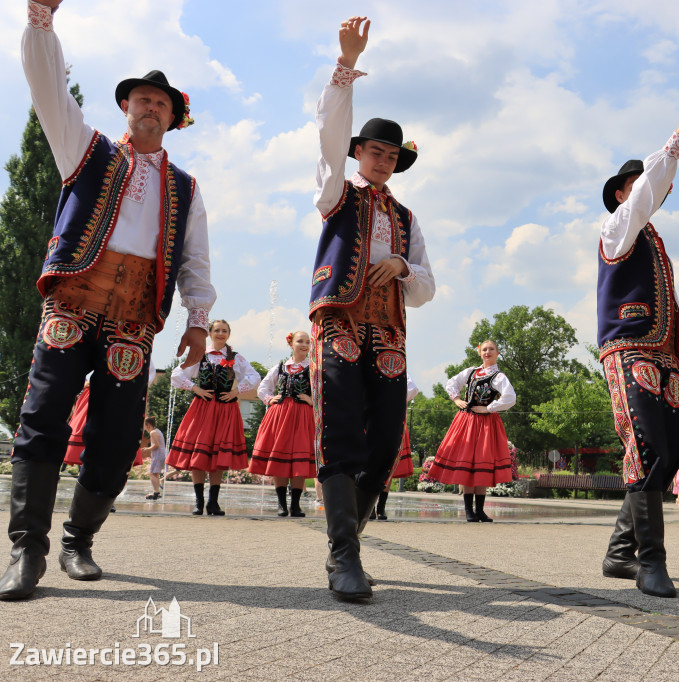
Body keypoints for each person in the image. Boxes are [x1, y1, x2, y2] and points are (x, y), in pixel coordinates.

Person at [0, 0, 215, 601]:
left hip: (133, 320)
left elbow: (195, 257)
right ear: (126, 106)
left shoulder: (186, 187)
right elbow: (48, 90)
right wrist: (41, 22)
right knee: (40, 423)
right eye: (142, 98)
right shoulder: (84, 149)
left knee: (119, 439)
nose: (151, 105)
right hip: (71, 305)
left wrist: (198, 320)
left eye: (162, 102)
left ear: (173, 119)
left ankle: (78, 538)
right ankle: (27, 551)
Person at [310, 16, 435, 601]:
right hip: (338, 321)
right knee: (341, 435)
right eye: (374, 151)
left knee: (386, 444)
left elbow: (428, 285)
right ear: (358, 153)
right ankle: (344, 556)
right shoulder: (336, 192)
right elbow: (328, 140)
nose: (382, 160)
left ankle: (347, 540)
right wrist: (344, 71)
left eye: (391, 154)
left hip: (388, 331)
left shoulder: (408, 219)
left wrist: (403, 267)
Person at [598, 87, 679, 599]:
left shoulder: (656, 243)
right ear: (621, 193)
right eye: (636, 186)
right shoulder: (617, 227)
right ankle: (649, 561)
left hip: (666, 358)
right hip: (628, 351)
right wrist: (677, 140)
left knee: (674, 451)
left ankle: (619, 550)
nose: (647, 192)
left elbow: (673, 310)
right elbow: (645, 195)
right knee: (645, 447)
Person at [166, 320, 259, 516]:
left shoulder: (236, 357)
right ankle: (199, 502)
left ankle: (213, 503)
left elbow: (254, 377)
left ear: (229, 334)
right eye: (217, 330)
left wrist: (236, 392)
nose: (220, 333)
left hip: (225, 409)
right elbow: (176, 374)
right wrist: (194, 387)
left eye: (224, 331)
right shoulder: (200, 354)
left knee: (218, 456)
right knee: (198, 455)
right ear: (210, 333)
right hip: (202, 408)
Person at [430, 341, 517, 522]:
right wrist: (456, 399)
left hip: (486, 424)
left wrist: (489, 408)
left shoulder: (499, 377)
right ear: (479, 352)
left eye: (491, 349)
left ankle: (480, 511)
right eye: (484, 349)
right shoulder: (471, 372)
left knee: (482, 465)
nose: (487, 352)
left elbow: (510, 397)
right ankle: (469, 510)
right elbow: (452, 383)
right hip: (466, 422)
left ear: (497, 353)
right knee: (467, 464)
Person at [249, 330, 316, 518]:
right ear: (291, 344)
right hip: (280, 415)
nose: (304, 345)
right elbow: (263, 387)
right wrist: (270, 398)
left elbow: (325, 390)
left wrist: (312, 400)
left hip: (302, 416)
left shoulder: (314, 368)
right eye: (300, 341)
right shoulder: (280, 367)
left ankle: (295, 504)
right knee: (278, 457)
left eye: (307, 342)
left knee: (298, 459)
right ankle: (281, 504)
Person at [371, 376, 420, 521]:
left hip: (392, 420)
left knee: (388, 465)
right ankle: (369, 507)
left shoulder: (398, 369)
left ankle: (381, 507)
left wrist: (392, 398)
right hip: (371, 419)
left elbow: (413, 388)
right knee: (370, 466)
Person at [141, 417, 167, 500]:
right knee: (155, 473)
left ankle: (156, 492)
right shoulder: (157, 431)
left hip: (158, 454)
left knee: (151, 473)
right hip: (160, 454)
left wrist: (147, 449)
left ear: (148, 425)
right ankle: (156, 492)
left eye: (144, 426)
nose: (144, 428)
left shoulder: (153, 432)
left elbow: (156, 445)